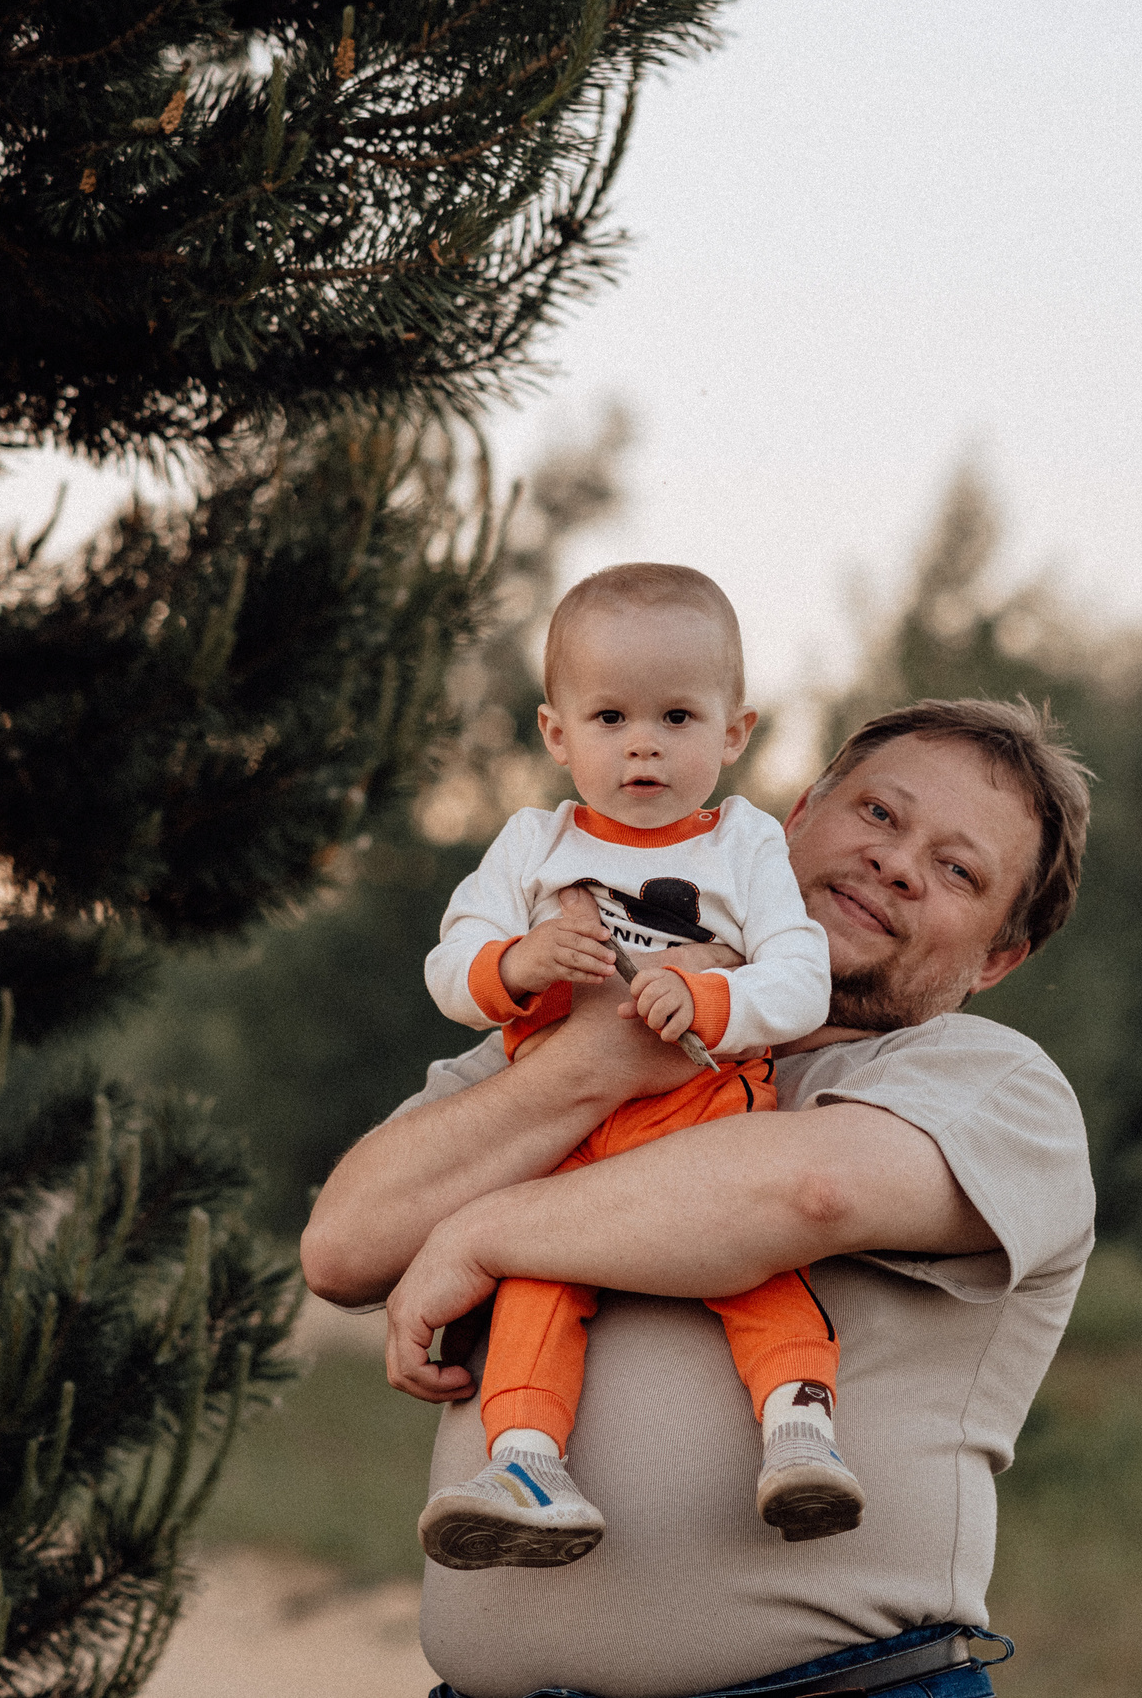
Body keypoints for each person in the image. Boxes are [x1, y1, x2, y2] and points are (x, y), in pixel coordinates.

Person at [303, 698, 1097, 1698]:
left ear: (995, 957)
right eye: (880, 816)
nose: (897, 863)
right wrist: (592, 1064)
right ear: (790, 818)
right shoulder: (568, 1043)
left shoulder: (983, 1079)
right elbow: (344, 1245)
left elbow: (803, 1189)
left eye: (956, 869)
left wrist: (481, 1230)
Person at [417, 563, 847, 1569]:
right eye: (609, 716)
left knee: (754, 1263)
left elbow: (800, 976)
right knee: (533, 1280)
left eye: (677, 716)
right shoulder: (532, 844)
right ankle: (525, 1461)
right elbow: (450, 965)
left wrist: (709, 997)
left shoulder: (743, 844)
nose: (642, 741)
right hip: (564, 1131)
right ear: (557, 734)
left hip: (703, 1106)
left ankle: (799, 1428)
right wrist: (516, 963)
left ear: (734, 733)